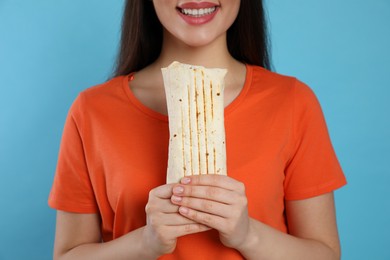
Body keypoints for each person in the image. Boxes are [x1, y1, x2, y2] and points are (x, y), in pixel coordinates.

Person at [48, 0, 347, 259]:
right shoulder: (92, 110)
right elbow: (68, 255)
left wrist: (248, 235)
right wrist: (145, 243)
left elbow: (324, 254)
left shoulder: (292, 102)